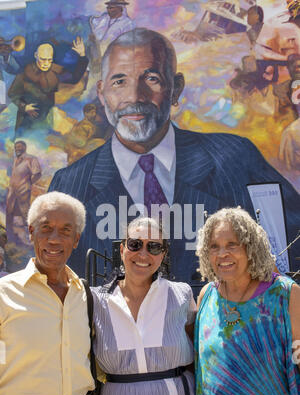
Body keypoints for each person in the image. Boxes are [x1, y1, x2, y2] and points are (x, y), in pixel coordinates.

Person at [48, 27, 300, 292]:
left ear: (176, 88)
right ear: (101, 93)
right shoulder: (69, 187)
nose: (135, 97)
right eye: (119, 81)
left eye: (152, 79)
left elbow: (292, 254)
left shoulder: (237, 159)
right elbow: (59, 296)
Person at [194, 207, 300, 395]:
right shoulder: (206, 297)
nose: (222, 253)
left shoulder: (285, 296)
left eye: (233, 244)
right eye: (214, 246)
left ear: (252, 247)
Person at [91, 216, 199, 395]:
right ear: (122, 249)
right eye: (135, 244)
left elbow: (197, 348)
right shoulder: (95, 301)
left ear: (163, 254)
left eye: (154, 247)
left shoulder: (181, 295)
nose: (143, 254)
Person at [0, 191, 95, 395]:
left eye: (65, 231)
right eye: (46, 228)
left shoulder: (84, 294)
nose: (54, 239)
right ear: (31, 232)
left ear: (76, 239)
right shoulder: (3, 294)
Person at [8, 39, 88, 135]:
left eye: (49, 60)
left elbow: (74, 78)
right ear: (36, 56)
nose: (46, 63)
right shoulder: (25, 71)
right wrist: (24, 107)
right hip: (27, 118)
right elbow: (12, 93)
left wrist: (82, 56)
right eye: (43, 59)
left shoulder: (56, 70)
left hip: (47, 116)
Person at [6, 140, 42, 244]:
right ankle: (10, 237)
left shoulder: (31, 159)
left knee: (25, 212)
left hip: (23, 190)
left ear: (24, 148)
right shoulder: (14, 160)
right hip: (12, 191)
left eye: (20, 147)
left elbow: (37, 173)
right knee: (9, 211)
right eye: (16, 147)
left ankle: (31, 237)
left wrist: (28, 184)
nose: (17, 149)